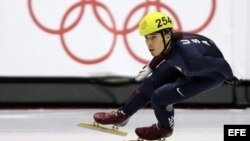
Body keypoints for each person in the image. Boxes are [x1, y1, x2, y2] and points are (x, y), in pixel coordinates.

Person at [93, 12, 239, 140]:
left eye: (153, 38)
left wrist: (231, 79)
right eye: (146, 38)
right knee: (149, 85)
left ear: (167, 36)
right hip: (185, 63)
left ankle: (164, 130)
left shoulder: (192, 60)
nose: (149, 43)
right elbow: (162, 52)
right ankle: (122, 116)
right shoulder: (170, 42)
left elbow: (221, 64)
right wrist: (150, 67)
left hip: (206, 77)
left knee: (160, 97)